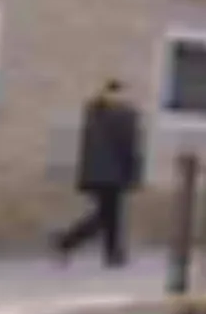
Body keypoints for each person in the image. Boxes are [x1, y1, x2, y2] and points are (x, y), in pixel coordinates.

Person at [56, 80, 144, 267]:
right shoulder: (123, 115)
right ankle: (67, 241)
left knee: (109, 215)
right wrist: (133, 175)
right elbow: (129, 148)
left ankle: (112, 254)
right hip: (113, 173)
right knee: (107, 216)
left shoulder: (95, 113)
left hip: (98, 173)